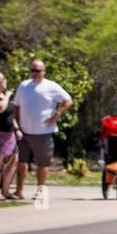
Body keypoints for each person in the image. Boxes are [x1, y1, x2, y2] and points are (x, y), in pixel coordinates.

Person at [13, 59, 72, 201]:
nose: (35, 73)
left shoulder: (51, 86)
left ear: (44, 72)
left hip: (43, 132)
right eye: (33, 70)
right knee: (21, 162)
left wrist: (57, 114)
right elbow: (16, 106)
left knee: (42, 164)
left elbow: (68, 100)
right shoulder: (24, 86)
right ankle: (19, 190)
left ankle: (40, 190)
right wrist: (16, 125)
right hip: (24, 132)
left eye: (38, 70)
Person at [0, 71, 22, 200]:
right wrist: (8, 96)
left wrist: (17, 128)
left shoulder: (4, 96)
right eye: (1, 79)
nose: (4, 81)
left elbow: (10, 115)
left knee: (13, 162)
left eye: (4, 79)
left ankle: (5, 190)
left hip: (10, 134)